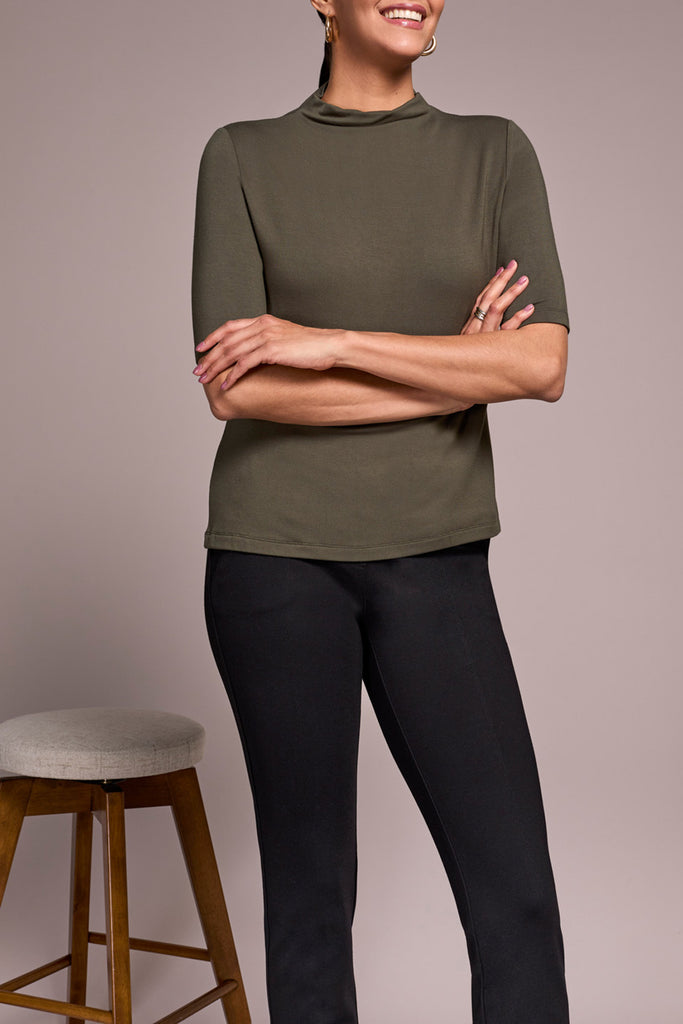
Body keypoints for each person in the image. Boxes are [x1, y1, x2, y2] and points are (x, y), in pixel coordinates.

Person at [190, 1, 571, 1022]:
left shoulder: (493, 153)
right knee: (310, 900)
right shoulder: (241, 155)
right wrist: (452, 371)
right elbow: (237, 390)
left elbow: (539, 363)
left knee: (514, 897)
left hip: (437, 558)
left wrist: (328, 342)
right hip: (273, 563)